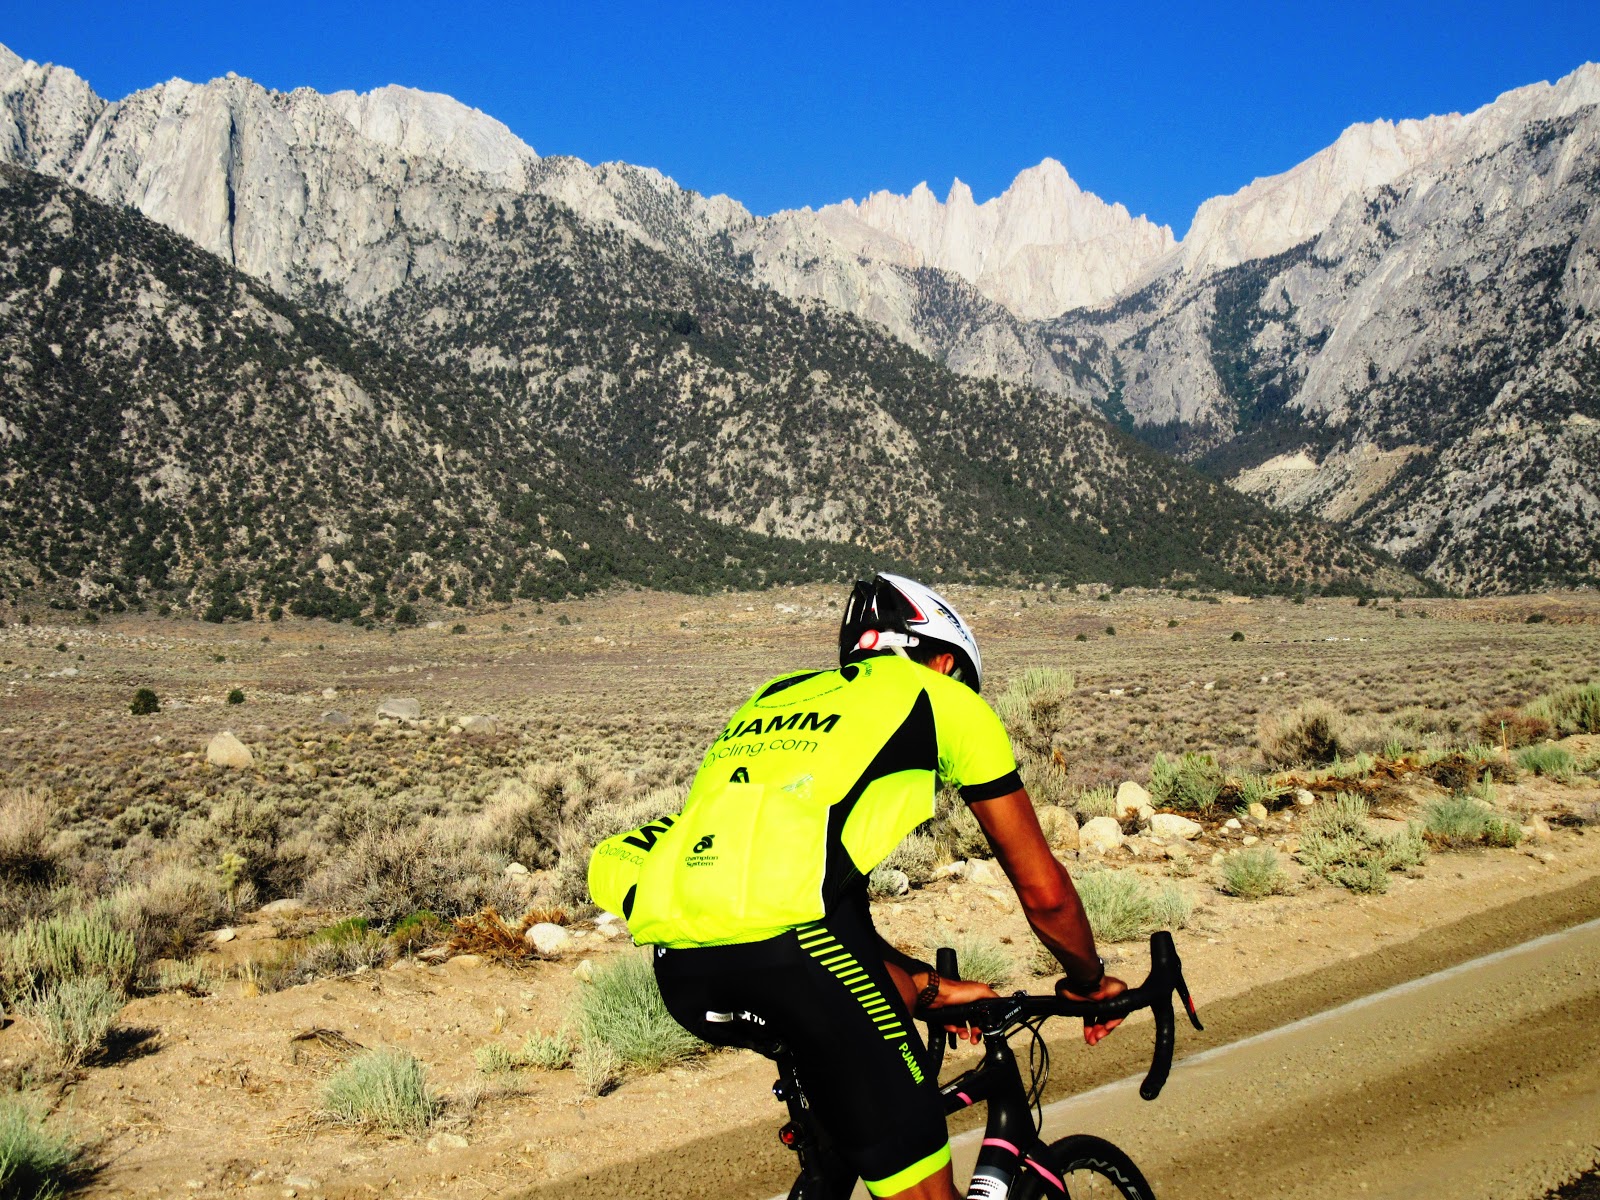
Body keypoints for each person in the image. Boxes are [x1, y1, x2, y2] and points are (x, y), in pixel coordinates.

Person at [588, 573, 1124, 1200]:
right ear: (945, 662)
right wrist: (1090, 982)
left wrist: (928, 988)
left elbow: (819, 916)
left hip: (680, 963)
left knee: (845, 1120)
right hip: (797, 960)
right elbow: (1045, 893)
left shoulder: (772, 698)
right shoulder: (940, 697)